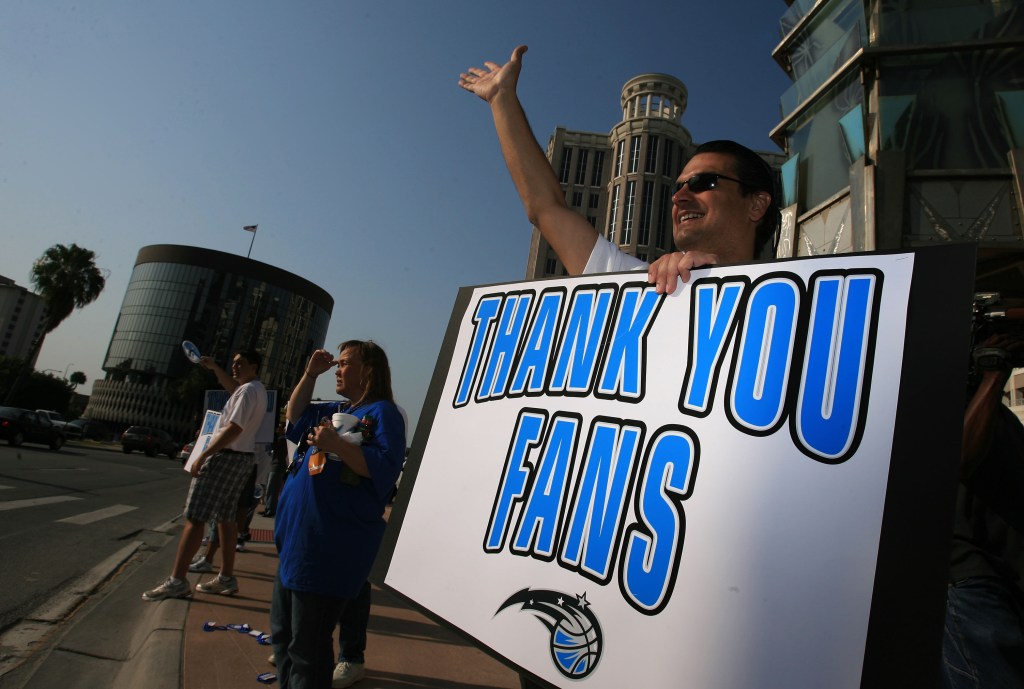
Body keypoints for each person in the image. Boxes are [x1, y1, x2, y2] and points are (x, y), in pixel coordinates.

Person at [458, 45, 780, 288]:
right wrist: (502, 98)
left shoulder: (797, 303)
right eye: (678, 186)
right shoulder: (634, 283)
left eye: (702, 183)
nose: (679, 197)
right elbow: (545, 208)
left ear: (756, 204)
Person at [271, 340, 406, 689]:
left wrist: (336, 445)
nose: (338, 369)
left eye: (345, 363)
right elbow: (295, 415)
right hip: (298, 545)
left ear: (369, 370)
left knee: (308, 649)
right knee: (284, 638)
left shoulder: (383, 414)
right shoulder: (337, 409)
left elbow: (384, 469)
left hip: (329, 548)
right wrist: (309, 374)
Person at [142, 350, 268, 601]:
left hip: (225, 457)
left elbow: (234, 427)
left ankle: (177, 581)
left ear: (253, 367)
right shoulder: (255, 390)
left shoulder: (247, 392)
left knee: (196, 516)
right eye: (233, 363)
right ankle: (226, 577)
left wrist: (204, 454)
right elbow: (233, 387)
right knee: (226, 518)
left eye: (240, 363)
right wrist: (215, 368)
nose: (234, 367)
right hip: (242, 459)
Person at [940, 332, 1024, 688]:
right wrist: (994, 376)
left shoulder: (994, 412)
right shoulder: (931, 400)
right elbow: (956, 462)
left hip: (1003, 575)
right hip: (972, 586)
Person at [262, 420, 288, 517]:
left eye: (280, 427)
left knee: (272, 489)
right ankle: (268, 508)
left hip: (277, 467)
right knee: (270, 489)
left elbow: (273, 447)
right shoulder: (280, 439)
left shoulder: (282, 439)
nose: (277, 429)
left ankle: (271, 510)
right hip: (274, 466)